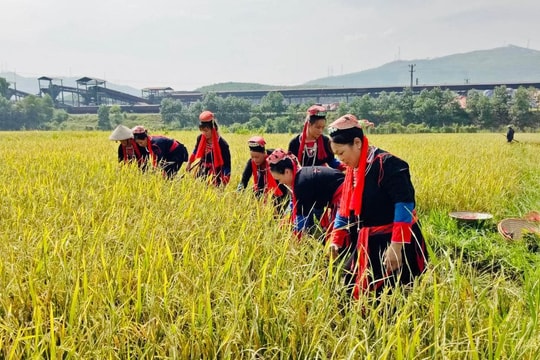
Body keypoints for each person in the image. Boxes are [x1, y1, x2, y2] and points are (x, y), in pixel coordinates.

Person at [327, 114, 428, 300]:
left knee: (392, 297)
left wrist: (396, 247)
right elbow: (344, 206)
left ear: (357, 143)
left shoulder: (387, 164)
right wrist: (336, 238)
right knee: (350, 285)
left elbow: (404, 205)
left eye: (341, 153)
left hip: (393, 241)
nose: (340, 160)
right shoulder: (354, 170)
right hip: (368, 241)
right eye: (336, 155)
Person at [268, 149, 345, 241]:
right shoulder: (300, 175)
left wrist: (295, 240)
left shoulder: (301, 184)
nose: (280, 183)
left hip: (344, 196)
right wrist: (283, 224)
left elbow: (301, 218)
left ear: (287, 172)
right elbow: (293, 205)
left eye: (279, 179)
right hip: (339, 193)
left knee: (338, 239)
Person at [237, 136, 289, 212]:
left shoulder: (274, 159)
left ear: (264, 153)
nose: (254, 160)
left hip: (278, 191)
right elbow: (244, 180)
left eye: (257, 157)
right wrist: (239, 193)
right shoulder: (251, 162)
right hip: (260, 190)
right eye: (252, 157)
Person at [288, 104, 344, 170]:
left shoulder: (325, 141)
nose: (320, 131)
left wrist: (344, 167)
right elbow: (291, 166)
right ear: (308, 125)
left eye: (323, 128)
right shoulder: (295, 143)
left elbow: (331, 161)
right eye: (318, 127)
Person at [186, 111, 231, 186]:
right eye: (202, 131)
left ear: (213, 129)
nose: (204, 133)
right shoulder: (200, 138)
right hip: (202, 168)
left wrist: (226, 177)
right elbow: (195, 151)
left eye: (206, 131)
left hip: (216, 172)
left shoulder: (222, 144)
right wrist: (189, 163)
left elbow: (227, 164)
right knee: (197, 188)